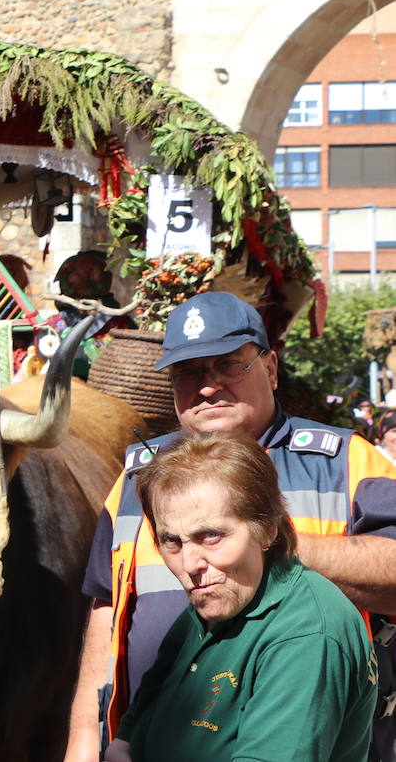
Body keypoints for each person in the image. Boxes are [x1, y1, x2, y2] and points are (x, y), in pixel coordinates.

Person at [66, 292, 396, 761]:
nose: (207, 386)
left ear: (271, 369)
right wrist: (83, 741)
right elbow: (107, 608)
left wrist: (264, 548)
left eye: (227, 364)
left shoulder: (346, 460)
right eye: (188, 372)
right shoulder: (140, 475)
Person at [105, 432, 375, 762]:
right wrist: (124, 744)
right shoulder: (219, 599)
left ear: (267, 529)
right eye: (172, 541)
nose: (190, 565)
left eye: (211, 536)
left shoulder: (306, 634)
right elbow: (145, 705)